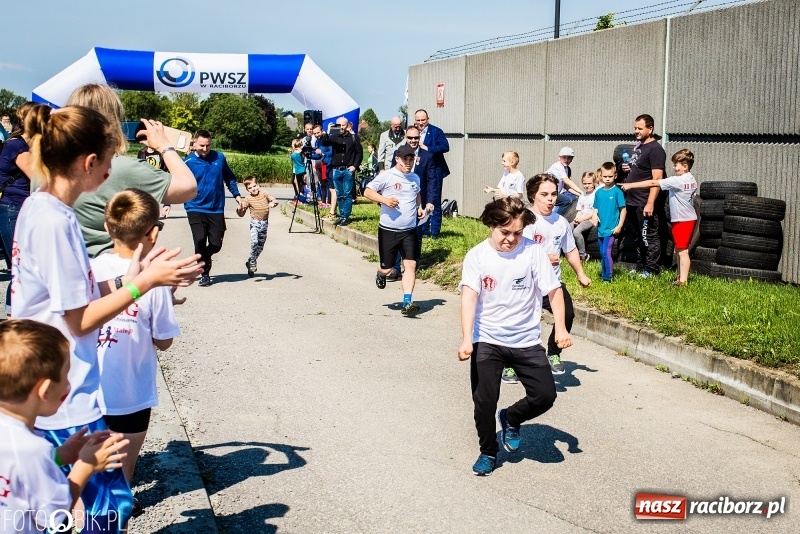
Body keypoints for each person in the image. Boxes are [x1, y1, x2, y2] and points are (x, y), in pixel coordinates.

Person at [11, 105, 202, 533]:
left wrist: (129, 280)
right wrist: (146, 282)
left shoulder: (40, 208)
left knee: (55, 502)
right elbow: (77, 321)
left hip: (56, 383)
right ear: (89, 162)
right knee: (110, 500)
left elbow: (66, 299)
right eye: (111, 161)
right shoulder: (56, 223)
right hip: (66, 389)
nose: (113, 172)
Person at [458, 197, 571, 476]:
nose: (511, 239)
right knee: (484, 401)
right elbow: (469, 298)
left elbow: (554, 292)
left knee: (545, 395)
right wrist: (465, 339)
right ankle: (488, 451)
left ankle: (511, 416)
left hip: (526, 340)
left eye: (517, 233)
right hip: (487, 338)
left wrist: (561, 328)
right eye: (505, 232)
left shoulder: (533, 252)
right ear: (491, 226)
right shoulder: (477, 256)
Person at [90, 189, 180, 517]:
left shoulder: (93, 269)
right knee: (123, 470)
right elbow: (164, 341)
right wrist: (166, 299)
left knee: (89, 465)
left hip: (90, 391)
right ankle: (119, 508)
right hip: (132, 394)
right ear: (152, 232)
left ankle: (83, 513)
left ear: (107, 226)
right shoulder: (154, 279)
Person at [0, 319, 131, 533]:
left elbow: (18, 472)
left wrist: (60, 455)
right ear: (46, 390)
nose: (69, 385)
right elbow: (53, 516)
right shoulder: (33, 448)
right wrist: (86, 465)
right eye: (66, 376)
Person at [68, 83, 197, 259]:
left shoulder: (46, 168)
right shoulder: (120, 168)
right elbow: (188, 188)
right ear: (112, 121)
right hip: (113, 276)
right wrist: (164, 145)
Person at [518, 173, 591, 376]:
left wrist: (580, 274)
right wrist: (541, 258)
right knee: (520, 324)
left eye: (553, 194)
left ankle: (553, 353)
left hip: (552, 283)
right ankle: (509, 363)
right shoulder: (525, 221)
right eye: (544, 194)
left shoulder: (561, 222)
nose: (550, 199)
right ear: (533, 195)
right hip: (526, 284)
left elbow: (570, 250)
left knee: (567, 314)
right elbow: (516, 252)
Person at [364, 144, 425, 316]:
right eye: (405, 159)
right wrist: (384, 200)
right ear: (397, 159)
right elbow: (367, 191)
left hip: (409, 230)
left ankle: (407, 301)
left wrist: (419, 207)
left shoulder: (415, 178)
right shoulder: (387, 175)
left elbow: (417, 193)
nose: (408, 162)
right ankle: (380, 273)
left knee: (411, 265)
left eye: (411, 159)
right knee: (388, 268)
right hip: (388, 230)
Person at [621, 149, 697, 286]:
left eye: (676, 165)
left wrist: (631, 185)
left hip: (682, 220)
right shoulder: (691, 179)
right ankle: (680, 278)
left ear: (685, 166)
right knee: (679, 250)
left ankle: (683, 281)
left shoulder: (677, 181)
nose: (674, 168)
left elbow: (653, 183)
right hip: (687, 218)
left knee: (682, 251)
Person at [0, 102, 45, 314]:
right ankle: (13, 319)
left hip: (20, 208)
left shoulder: (24, 144)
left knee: (25, 267)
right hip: (13, 210)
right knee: (21, 268)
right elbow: (39, 178)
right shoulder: (17, 146)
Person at [184, 129, 243, 287]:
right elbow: (177, 182)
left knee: (216, 244)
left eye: (208, 146)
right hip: (194, 206)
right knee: (200, 239)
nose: (205, 149)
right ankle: (204, 274)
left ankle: (200, 257)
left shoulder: (219, 157)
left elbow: (229, 177)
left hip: (216, 208)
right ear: (194, 143)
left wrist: (237, 195)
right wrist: (168, 203)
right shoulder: (187, 162)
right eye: (201, 146)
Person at [621, 114, 667, 277]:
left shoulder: (656, 150)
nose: (636, 131)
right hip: (632, 200)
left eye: (640, 128)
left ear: (650, 129)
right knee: (637, 236)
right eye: (635, 128)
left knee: (649, 236)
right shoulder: (639, 146)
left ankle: (652, 269)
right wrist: (628, 169)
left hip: (644, 201)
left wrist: (650, 203)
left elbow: (657, 179)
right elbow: (639, 169)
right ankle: (640, 266)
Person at [388, 125, 435, 281]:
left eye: (416, 138)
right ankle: (395, 268)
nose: (413, 140)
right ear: (405, 137)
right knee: (396, 235)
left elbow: (431, 181)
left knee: (416, 234)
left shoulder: (427, 156)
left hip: (418, 202)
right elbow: (391, 176)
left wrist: (429, 203)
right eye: (410, 138)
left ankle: (413, 264)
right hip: (400, 203)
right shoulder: (398, 153)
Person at [321, 117, 363, 226]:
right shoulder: (334, 137)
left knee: (347, 194)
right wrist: (328, 131)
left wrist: (354, 166)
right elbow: (324, 142)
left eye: (343, 125)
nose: (341, 127)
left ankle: (346, 216)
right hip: (336, 170)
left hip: (348, 169)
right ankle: (341, 214)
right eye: (339, 125)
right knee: (339, 194)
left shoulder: (353, 138)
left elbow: (359, 153)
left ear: (347, 125)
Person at [414, 109, 449, 238]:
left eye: (423, 120)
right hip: (421, 172)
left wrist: (428, 149)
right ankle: (423, 230)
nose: (421, 123)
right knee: (421, 200)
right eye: (418, 120)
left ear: (428, 119)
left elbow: (445, 146)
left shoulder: (436, 131)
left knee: (434, 200)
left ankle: (434, 232)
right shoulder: (413, 131)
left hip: (436, 171)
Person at [236, 176, 279, 277]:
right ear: (247, 190)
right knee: (254, 242)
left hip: (264, 224)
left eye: (254, 186)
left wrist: (273, 203)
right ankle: (252, 263)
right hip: (255, 223)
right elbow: (241, 214)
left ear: (258, 185)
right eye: (250, 188)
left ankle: (251, 261)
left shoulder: (264, 194)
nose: (253, 189)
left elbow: (274, 200)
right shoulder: (248, 199)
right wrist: (239, 208)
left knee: (260, 247)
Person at [593, 162, 627, 282]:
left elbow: (623, 209)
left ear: (615, 176)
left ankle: (609, 277)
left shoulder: (617, 192)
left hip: (611, 228)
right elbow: (595, 207)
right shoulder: (598, 192)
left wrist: (619, 225)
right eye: (605, 176)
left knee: (606, 252)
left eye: (610, 176)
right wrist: (594, 216)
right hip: (601, 228)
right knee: (602, 253)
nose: (607, 179)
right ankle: (603, 275)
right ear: (600, 176)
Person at [546, 147, 583, 215]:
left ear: (572, 159)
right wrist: (581, 191)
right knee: (567, 201)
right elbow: (567, 181)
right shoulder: (558, 166)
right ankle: (557, 219)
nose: (566, 160)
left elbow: (566, 186)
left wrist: (580, 194)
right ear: (559, 157)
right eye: (564, 157)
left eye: (569, 158)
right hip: (547, 193)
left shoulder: (566, 168)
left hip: (553, 193)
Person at [572, 171, 599, 261]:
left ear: (594, 183)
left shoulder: (596, 194)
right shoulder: (582, 195)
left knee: (576, 232)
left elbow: (593, 212)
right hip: (581, 218)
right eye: (584, 183)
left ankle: (582, 255)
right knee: (567, 228)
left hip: (591, 219)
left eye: (589, 183)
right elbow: (579, 210)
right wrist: (577, 218)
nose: (587, 185)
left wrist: (581, 219)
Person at [312, 124, 332, 207]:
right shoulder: (317, 141)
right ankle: (323, 202)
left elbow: (331, 152)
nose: (317, 135)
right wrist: (309, 155)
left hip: (328, 164)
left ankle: (330, 203)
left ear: (322, 131)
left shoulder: (328, 139)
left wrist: (322, 153)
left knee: (329, 185)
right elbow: (318, 155)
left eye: (318, 133)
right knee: (322, 184)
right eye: (315, 134)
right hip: (320, 164)